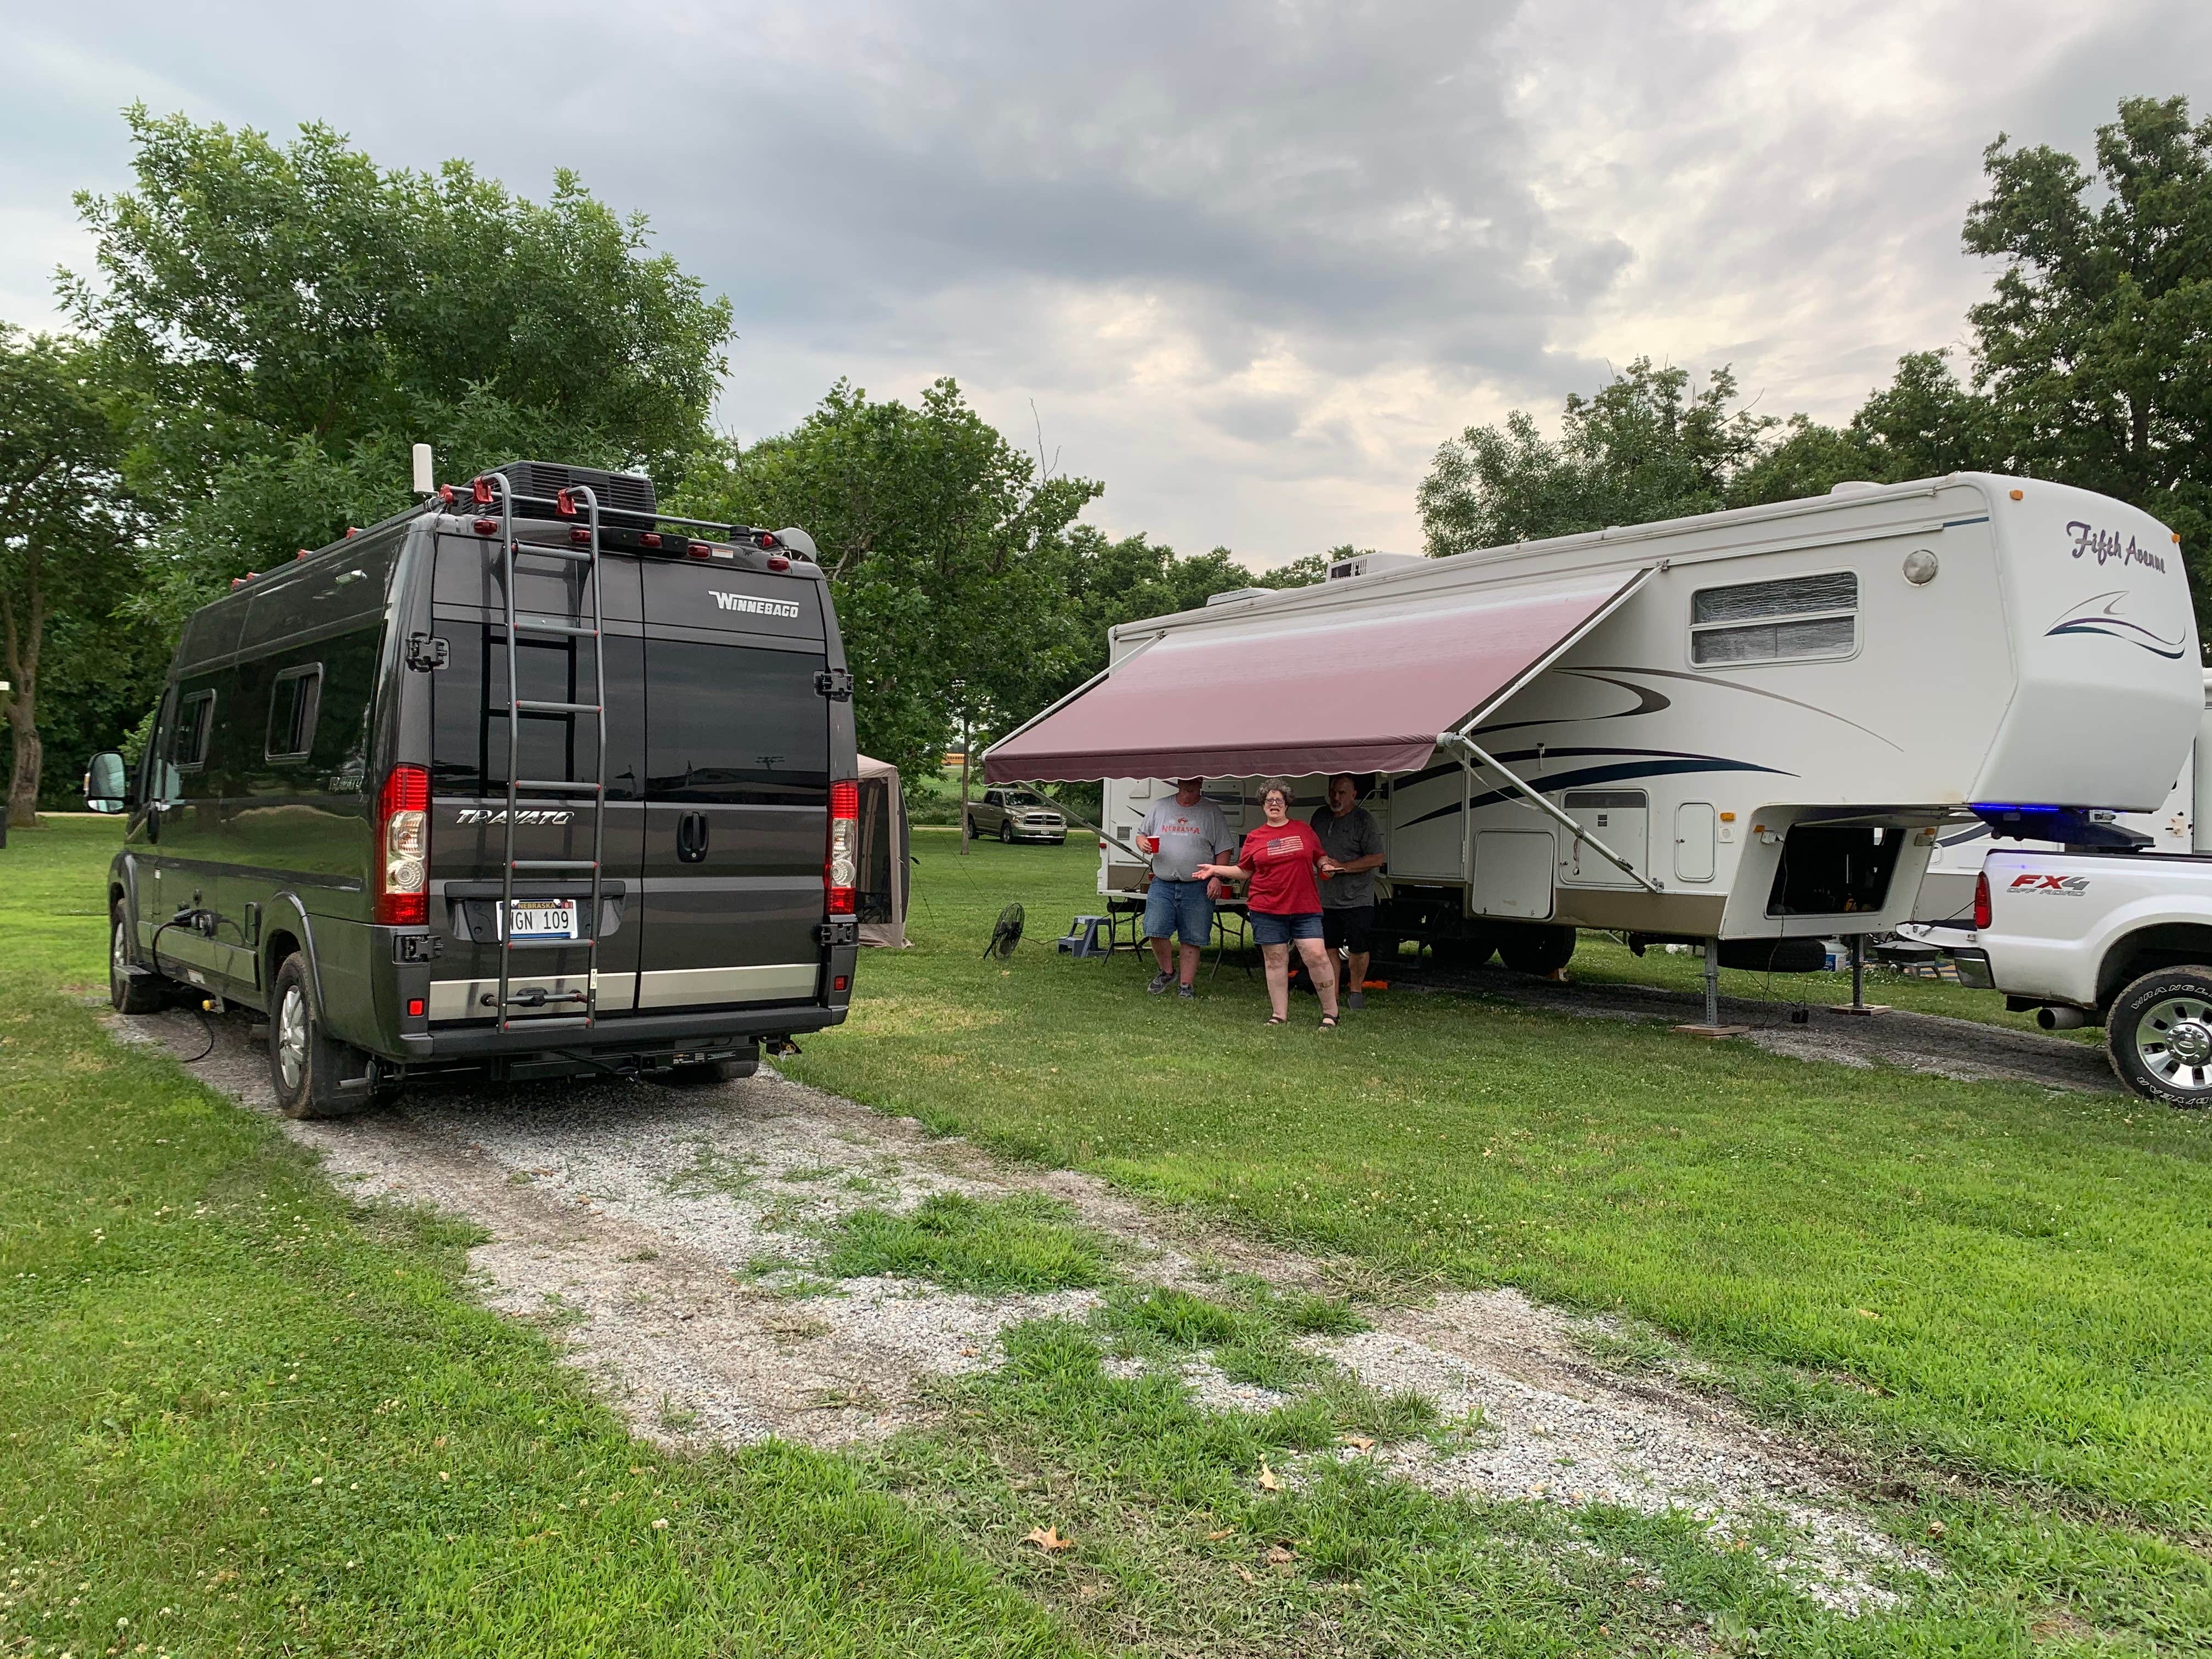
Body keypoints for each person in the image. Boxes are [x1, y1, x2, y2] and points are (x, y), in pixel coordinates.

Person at [1195, 782, 1340, 1028]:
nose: (1274, 804)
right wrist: (1215, 869)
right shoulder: (1255, 837)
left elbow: (1320, 856)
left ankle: (1331, 1013)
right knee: (1275, 960)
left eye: (1279, 800)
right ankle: (1279, 1015)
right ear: (1263, 805)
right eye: (1269, 800)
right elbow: (1244, 871)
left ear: (1287, 804)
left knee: (1317, 956)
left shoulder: (1303, 831)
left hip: (1304, 907)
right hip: (1266, 908)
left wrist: (1326, 866)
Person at [1136, 778, 1234, 999]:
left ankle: (1186, 986)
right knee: (1155, 929)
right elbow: (1142, 834)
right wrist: (1141, 842)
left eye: (1194, 781)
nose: (1189, 786)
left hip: (1198, 884)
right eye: (1186, 781)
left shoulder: (1211, 811)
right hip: (1163, 882)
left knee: (1192, 937)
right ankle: (1167, 971)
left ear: (1201, 783)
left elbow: (1224, 848)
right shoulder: (1160, 806)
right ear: (1179, 782)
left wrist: (1217, 877)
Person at [1312, 774, 1388, 1012]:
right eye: (1333, 791)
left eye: (1342, 793)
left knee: (1359, 947)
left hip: (1358, 898)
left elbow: (1377, 858)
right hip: (1326, 897)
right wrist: (1322, 863)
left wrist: (1342, 867)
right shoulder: (1320, 816)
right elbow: (1314, 849)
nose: (1336, 797)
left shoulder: (1363, 820)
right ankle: (1333, 994)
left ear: (1354, 796)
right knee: (1329, 947)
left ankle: (1356, 991)